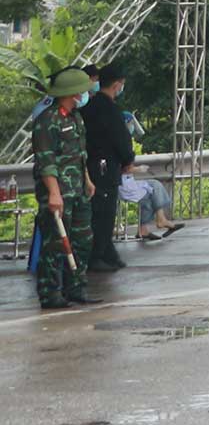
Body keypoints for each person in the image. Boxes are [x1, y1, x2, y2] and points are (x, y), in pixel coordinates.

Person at [30, 67, 92, 308]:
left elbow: (80, 154)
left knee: (82, 239)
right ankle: (50, 292)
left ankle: (75, 286)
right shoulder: (47, 121)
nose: (84, 94)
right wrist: (54, 193)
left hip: (78, 190)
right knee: (55, 244)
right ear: (72, 92)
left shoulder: (75, 117)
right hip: (58, 193)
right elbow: (46, 161)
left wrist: (87, 180)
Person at [80, 64, 132, 273]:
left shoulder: (88, 107)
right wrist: (128, 160)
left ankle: (108, 252)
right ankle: (97, 255)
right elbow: (121, 139)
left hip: (91, 164)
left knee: (99, 211)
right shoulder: (110, 109)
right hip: (105, 166)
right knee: (104, 212)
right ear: (117, 84)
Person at [120, 161, 180, 241]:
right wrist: (138, 169)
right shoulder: (121, 154)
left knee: (150, 193)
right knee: (155, 186)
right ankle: (161, 219)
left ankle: (143, 229)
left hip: (123, 184)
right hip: (123, 186)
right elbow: (122, 169)